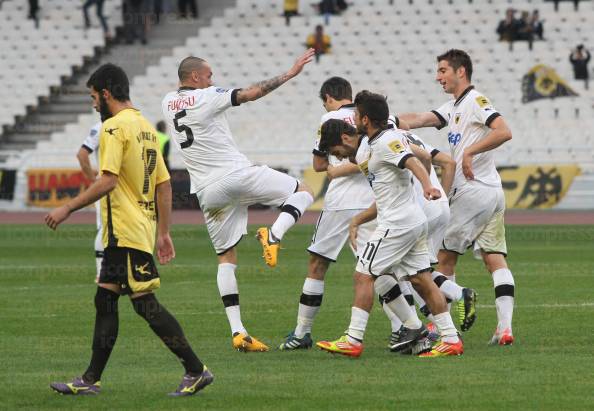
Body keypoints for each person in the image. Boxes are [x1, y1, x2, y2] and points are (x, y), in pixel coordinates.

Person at [45, 64, 212, 397]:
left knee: (145, 303)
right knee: (105, 298)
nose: (94, 105)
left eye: (94, 97)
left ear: (106, 93)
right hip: (137, 229)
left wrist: (67, 207)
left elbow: (108, 180)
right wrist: (163, 232)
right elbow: (164, 184)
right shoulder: (146, 127)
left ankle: (195, 369)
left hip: (124, 230)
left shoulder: (113, 128)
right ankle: (90, 380)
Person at [161, 49, 316, 352]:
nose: (211, 80)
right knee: (304, 189)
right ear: (195, 77)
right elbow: (251, 93)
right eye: (208, 75)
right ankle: (274, 234)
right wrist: (289, 73)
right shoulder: (207, 96)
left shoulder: (167, 102)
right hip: (234, 175)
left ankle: (238, 332)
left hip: (206, 191)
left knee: (226, 258)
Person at [316, 93, 464, 358]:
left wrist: (429, 184)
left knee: (363, 275)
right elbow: (385, 189)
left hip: (397, 224)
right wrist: (358, 219)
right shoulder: (369, 145)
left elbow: (411, 160)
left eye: (357, 114)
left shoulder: (387, 140)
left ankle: (353, 339)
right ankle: (451, 339)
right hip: (410, 221)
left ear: (365, 119)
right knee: (422, 280)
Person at [400, 49, 516, 346]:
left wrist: (470, 152)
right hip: (492, 191)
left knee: (442, 259)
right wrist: (383, 119)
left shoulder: (476, 101)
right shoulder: (453, 106)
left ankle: (442, 328)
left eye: (442, 71)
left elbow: (504, 131)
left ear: (460, 71)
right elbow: (419, 118)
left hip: (473, 190)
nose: (438, 77)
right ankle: (504, 329)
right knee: (494, 259)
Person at [278, 77, 377, 350]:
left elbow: (319, 164)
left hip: (340, 201)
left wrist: (336, 162)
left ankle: (301, 332)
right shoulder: (367, 117)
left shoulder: (329, 119)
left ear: (329, 97)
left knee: (317, 264)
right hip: (373, 200)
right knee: (377, 268)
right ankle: (406, 328)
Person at [77, 122, 104, 282]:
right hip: (112, 186)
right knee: (106, 228)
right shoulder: (101, 127)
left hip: (120, 187)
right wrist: (94, 180)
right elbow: (82, 154)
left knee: (110, 228)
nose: (94, 104)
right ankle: (102, 272)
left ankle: (106, 272)